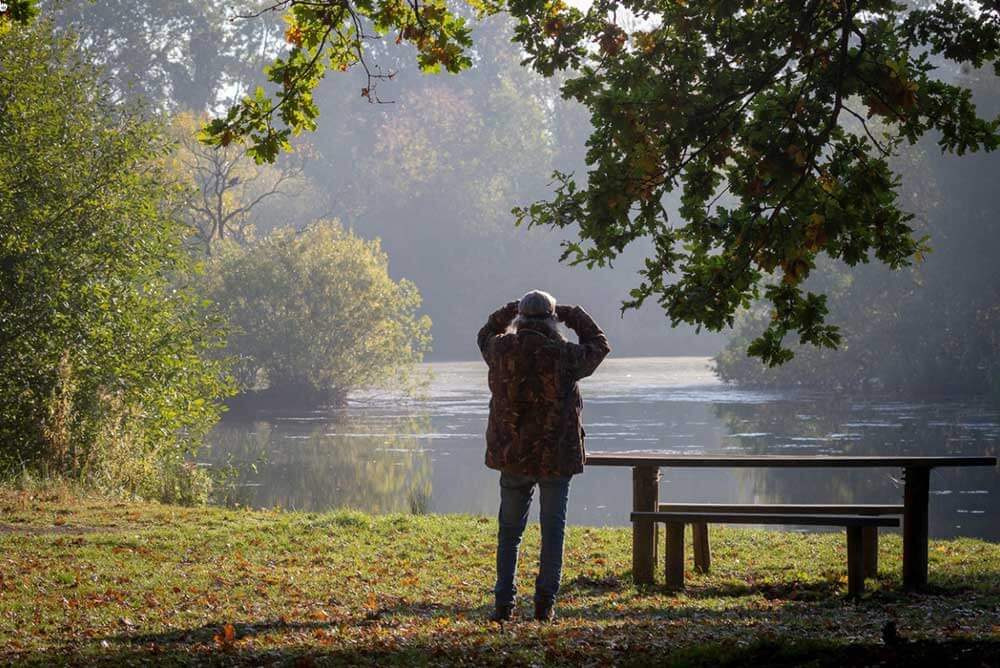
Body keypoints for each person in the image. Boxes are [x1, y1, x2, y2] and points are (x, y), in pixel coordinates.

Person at [477, 290, 611, 622]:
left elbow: (484, 335)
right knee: (553, 530)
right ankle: (544, 605)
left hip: (513, 456)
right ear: (553, 321)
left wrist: (508, 310)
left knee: (510, 531)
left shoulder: (501, 351)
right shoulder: (564, 355)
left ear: (519, 319)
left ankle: (503, 605)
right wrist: (572, 313)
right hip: (556, 458)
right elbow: (598, 344)